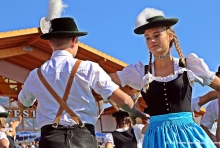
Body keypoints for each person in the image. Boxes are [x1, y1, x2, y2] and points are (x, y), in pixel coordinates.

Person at [109, 7, 220, 148]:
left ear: (170, 36)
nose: (152, 41)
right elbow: (104, 79)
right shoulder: (140, 72)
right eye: (147, 37)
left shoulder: (188, 65)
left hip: (187, 134)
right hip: (156, 137)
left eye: (156, 35)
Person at [17, 17, 148, 148]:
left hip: (51, 140)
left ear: (50, 43)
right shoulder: (88, 68)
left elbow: (22, 104)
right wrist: (136, 112)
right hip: (83, 139)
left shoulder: (35, 75)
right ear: (74, 40)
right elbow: (124, 101)